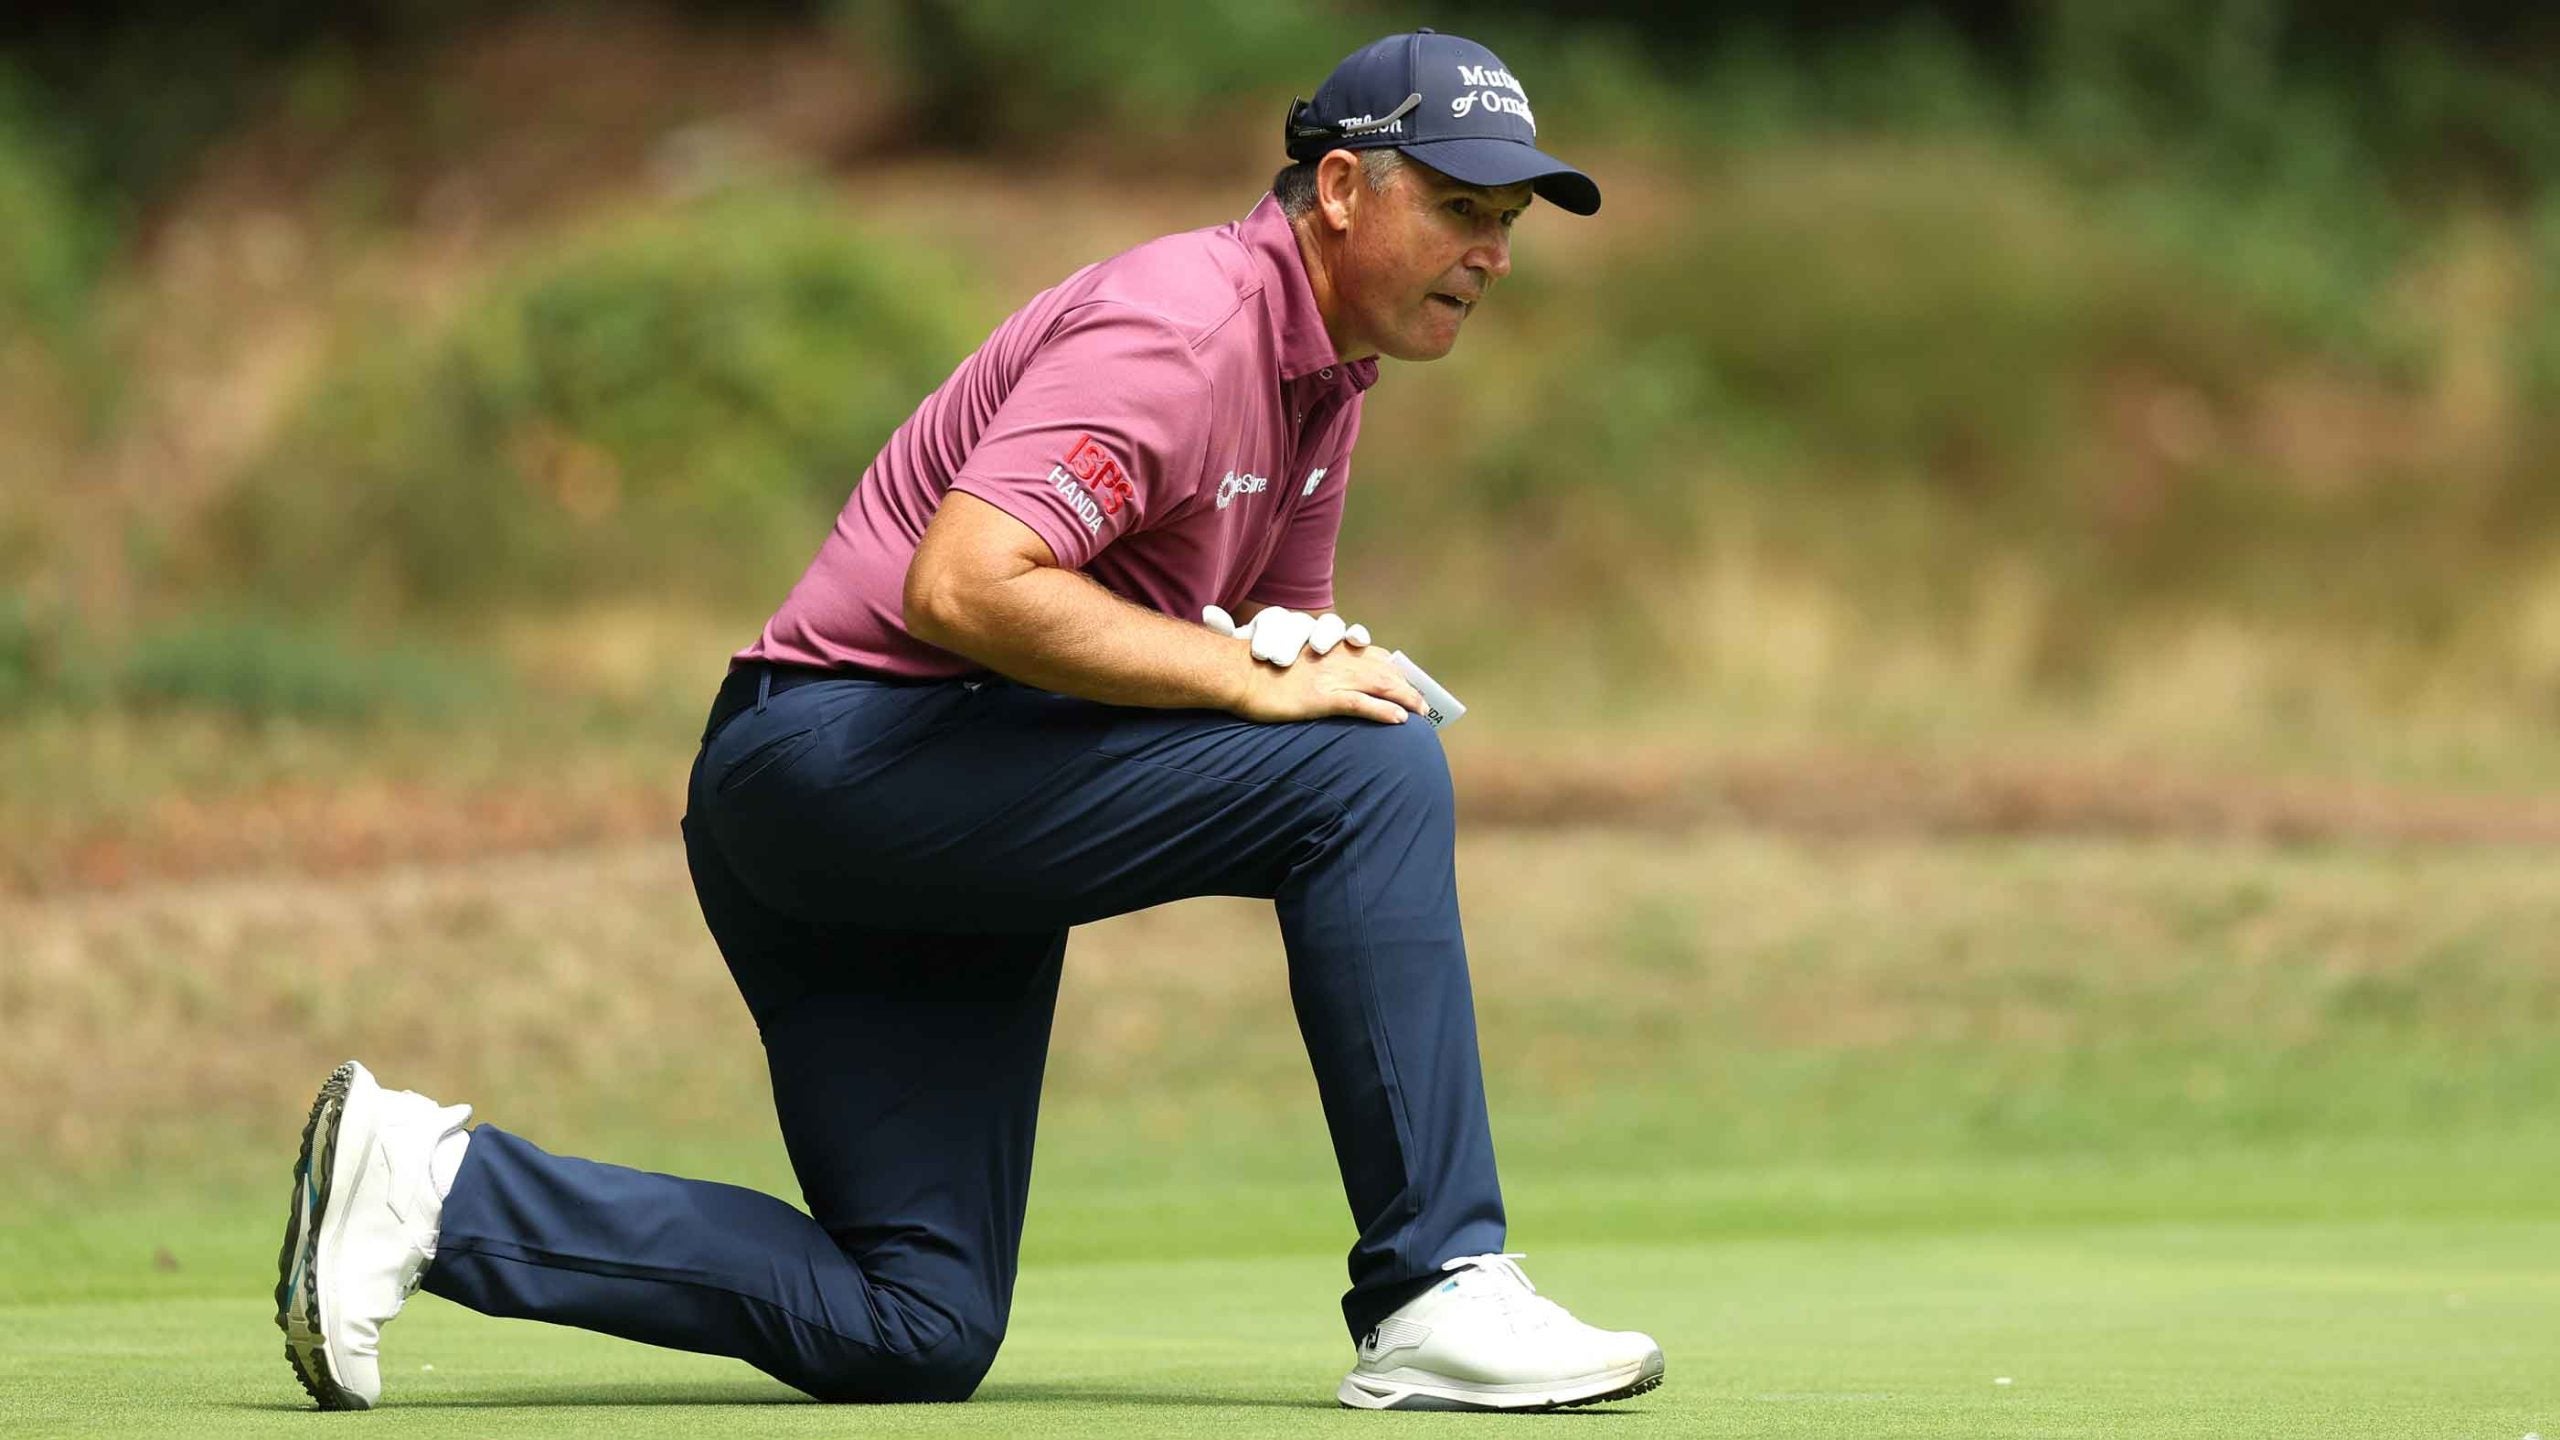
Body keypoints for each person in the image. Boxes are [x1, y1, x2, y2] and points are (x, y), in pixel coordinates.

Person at [273, 28, 1662, 1414]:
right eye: (1463, 210)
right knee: (1374, 774)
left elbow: (1273, 647)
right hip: (842, 758)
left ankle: (428, 1189)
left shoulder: (1321, 382)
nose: (1495, 252)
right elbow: (963, 583)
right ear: (1345, 188)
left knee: (916, 1322)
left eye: (1509, 222)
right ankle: (1437, 1284)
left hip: (924, 797)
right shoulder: (1184, 331)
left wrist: (1303, 663)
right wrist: (1261, 690)